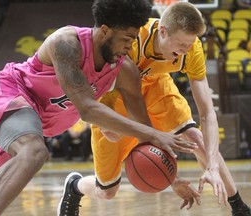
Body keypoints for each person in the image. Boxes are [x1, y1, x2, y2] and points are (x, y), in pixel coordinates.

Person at [0, 0, 198, 215]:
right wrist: (152, 133)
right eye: (126, 39)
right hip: (11, 94)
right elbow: (87, 110)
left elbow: (144, 128)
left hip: (36, 122)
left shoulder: (126, 71)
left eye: (134, 39)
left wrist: (172, 177)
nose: (130, 46)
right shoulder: (66, 43)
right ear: (105, 30)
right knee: (34, 152)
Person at [58, 2, 251, 216]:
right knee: (107, 190)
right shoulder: (131, 40)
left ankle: (239, 207)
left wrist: (212, 165)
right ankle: (75, 186)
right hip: (114, 95)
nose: (185, 51)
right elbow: (115, 123)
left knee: (195, 137)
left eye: (190, 44)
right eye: (180, 44)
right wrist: (172, 179)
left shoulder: (191, 48)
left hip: (155, 85)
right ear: (163, 31)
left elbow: (207, 113)